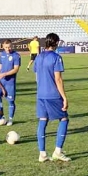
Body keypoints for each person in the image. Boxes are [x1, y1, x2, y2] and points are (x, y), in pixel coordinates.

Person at [34, 33, 70, 162]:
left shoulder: (39, 57)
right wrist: (64, 97)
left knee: (43, 121)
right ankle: (58, 152)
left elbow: (37, 76)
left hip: (41, 94)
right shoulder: (56, 57)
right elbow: (58, 79)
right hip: (53, 94)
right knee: (64, 119)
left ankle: (42, 154)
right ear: (55, 43)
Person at [0, 40, 21, 126]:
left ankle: (10, 119)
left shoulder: (16, 55)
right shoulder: (1, 54)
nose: (8, 49)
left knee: (10, 101)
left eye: (9, 47)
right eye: (6, 47)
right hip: (1, 82)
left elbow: (16, 69)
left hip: (10, 82)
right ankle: (2, 117)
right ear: (3, 46)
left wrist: (4, 74)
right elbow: (0, 65)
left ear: (12, 46)